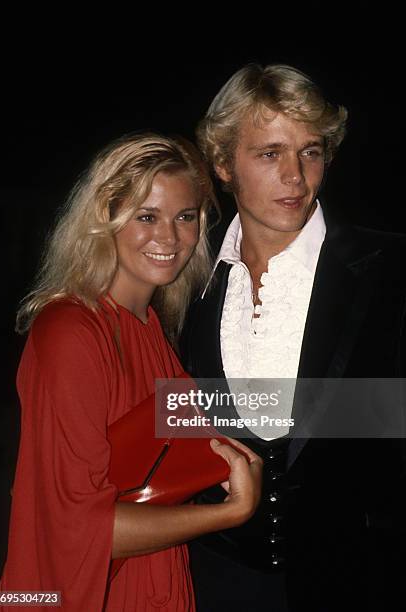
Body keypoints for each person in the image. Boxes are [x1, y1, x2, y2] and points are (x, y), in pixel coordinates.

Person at [0, 133, 263, 611]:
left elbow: (213, 422)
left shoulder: (151, 332)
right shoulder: (71, 332)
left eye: (185, 217)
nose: (170, 237)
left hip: (155, 583)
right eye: (146, 216)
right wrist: (232, 511)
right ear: (105, 219)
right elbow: (80, 527)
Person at [180, 64, 406, 611]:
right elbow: (173, 416)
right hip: (211, 581)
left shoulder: (391, 269)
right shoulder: (181, 277)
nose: (296, 176)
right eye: (269, 153)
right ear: (222, 163)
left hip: (361, 582)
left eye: (311, 151)